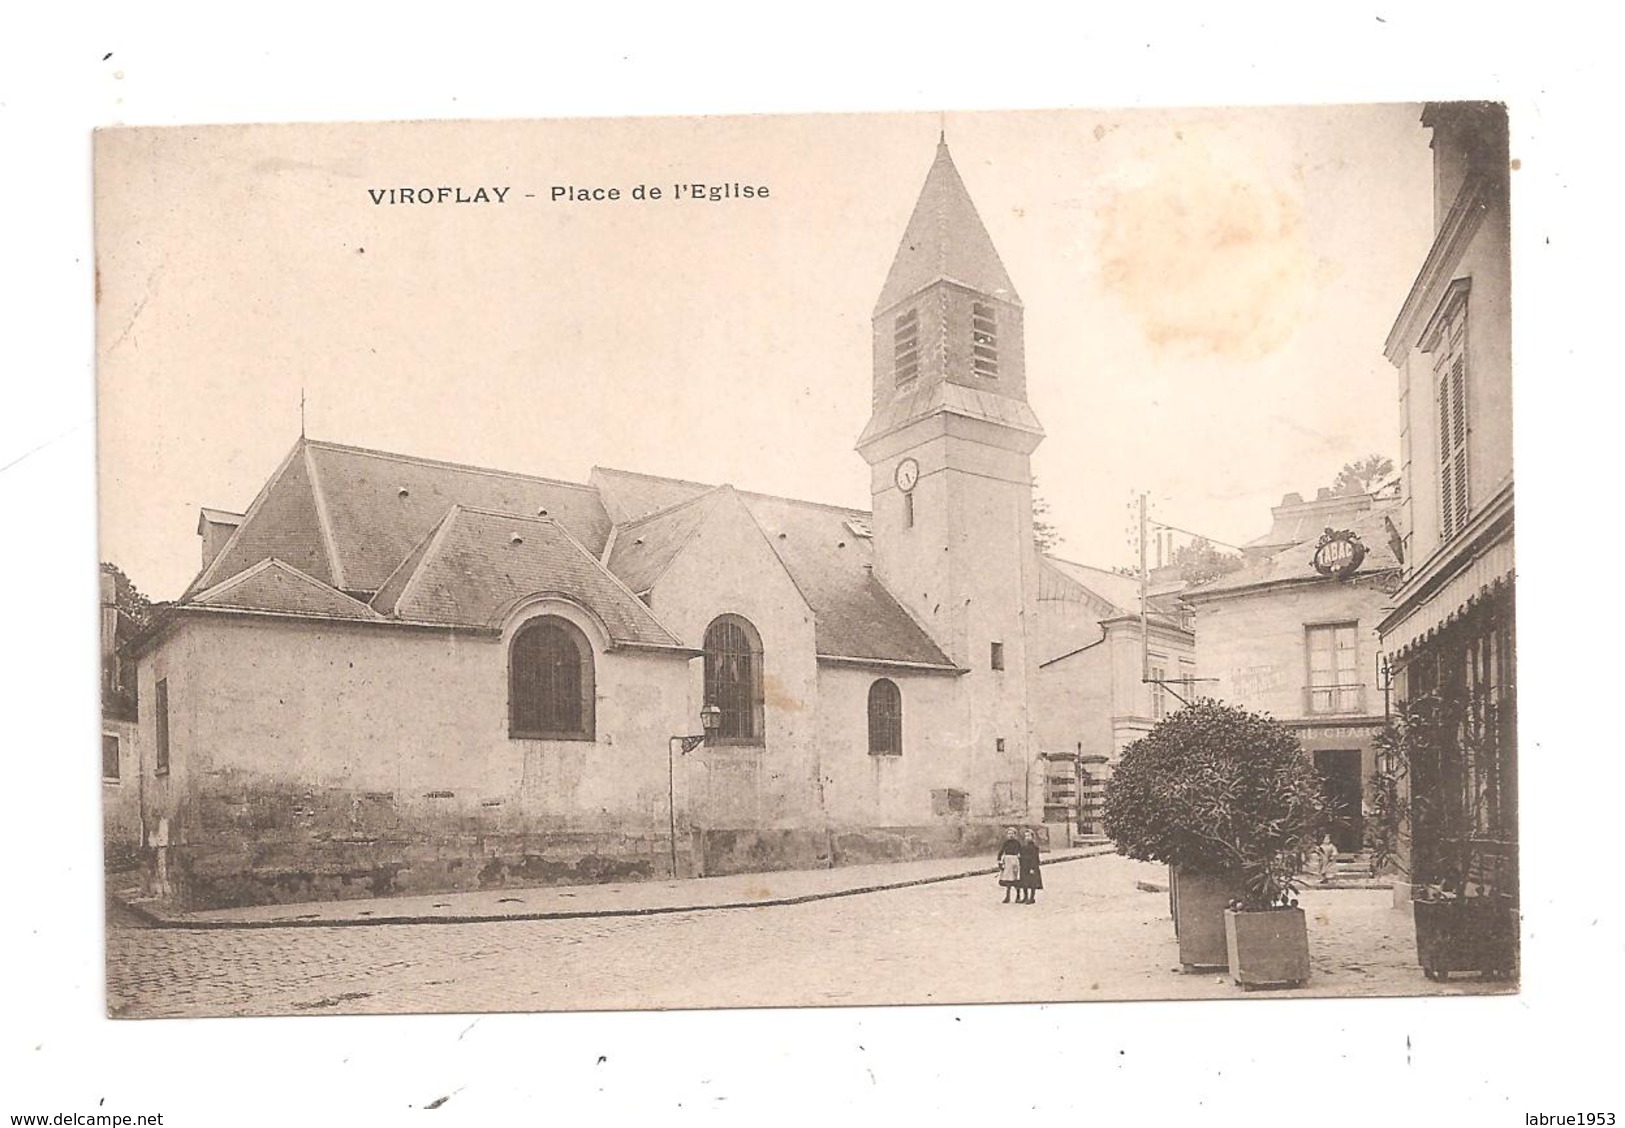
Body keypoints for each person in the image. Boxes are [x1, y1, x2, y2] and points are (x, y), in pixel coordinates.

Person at [1018, 829, 1044, 904]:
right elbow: (1021, 855)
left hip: (1031, 866)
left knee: (1032, 882)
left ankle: (1032, 898)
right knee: (1024, 882)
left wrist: (1033, 868)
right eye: (1026, 836)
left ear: (1032, 837)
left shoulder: (1034, 847)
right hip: (1024, 866)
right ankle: (1025, 897)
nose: (1027, 837)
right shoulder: (1023, 846)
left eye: (1028, 835)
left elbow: (1035, 858)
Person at [997, 827, 1022, 903]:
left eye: (1012, 833)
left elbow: (1021, 852)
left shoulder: (1017, 843)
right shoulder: (1005, 843)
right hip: (1007, 861)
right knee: (1008, 880)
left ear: (1015, 834)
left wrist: (1020, 861)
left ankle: (1018, 896)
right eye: (1009, 833)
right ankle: (1007, 897)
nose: (1010, 835)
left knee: (1015, 879)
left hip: (1014, 860)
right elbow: (1001, 852)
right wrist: (1000, 862)